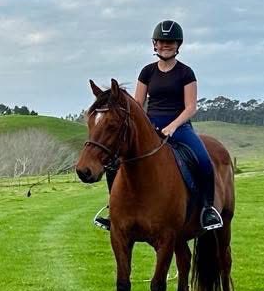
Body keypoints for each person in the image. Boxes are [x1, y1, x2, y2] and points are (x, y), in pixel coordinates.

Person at [95, 20, 223, 232]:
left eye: (170, 42)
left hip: (180, 127)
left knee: (204, 161)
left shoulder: (186, 73)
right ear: (154, 44)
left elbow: (191, 107)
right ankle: (113, 209)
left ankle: (207, 209)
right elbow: (137, 104)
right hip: (150, 126)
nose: (165, 46)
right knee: (115, 163)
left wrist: (173, 126)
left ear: (178, 45)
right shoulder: (147, 72)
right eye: (162, 42)